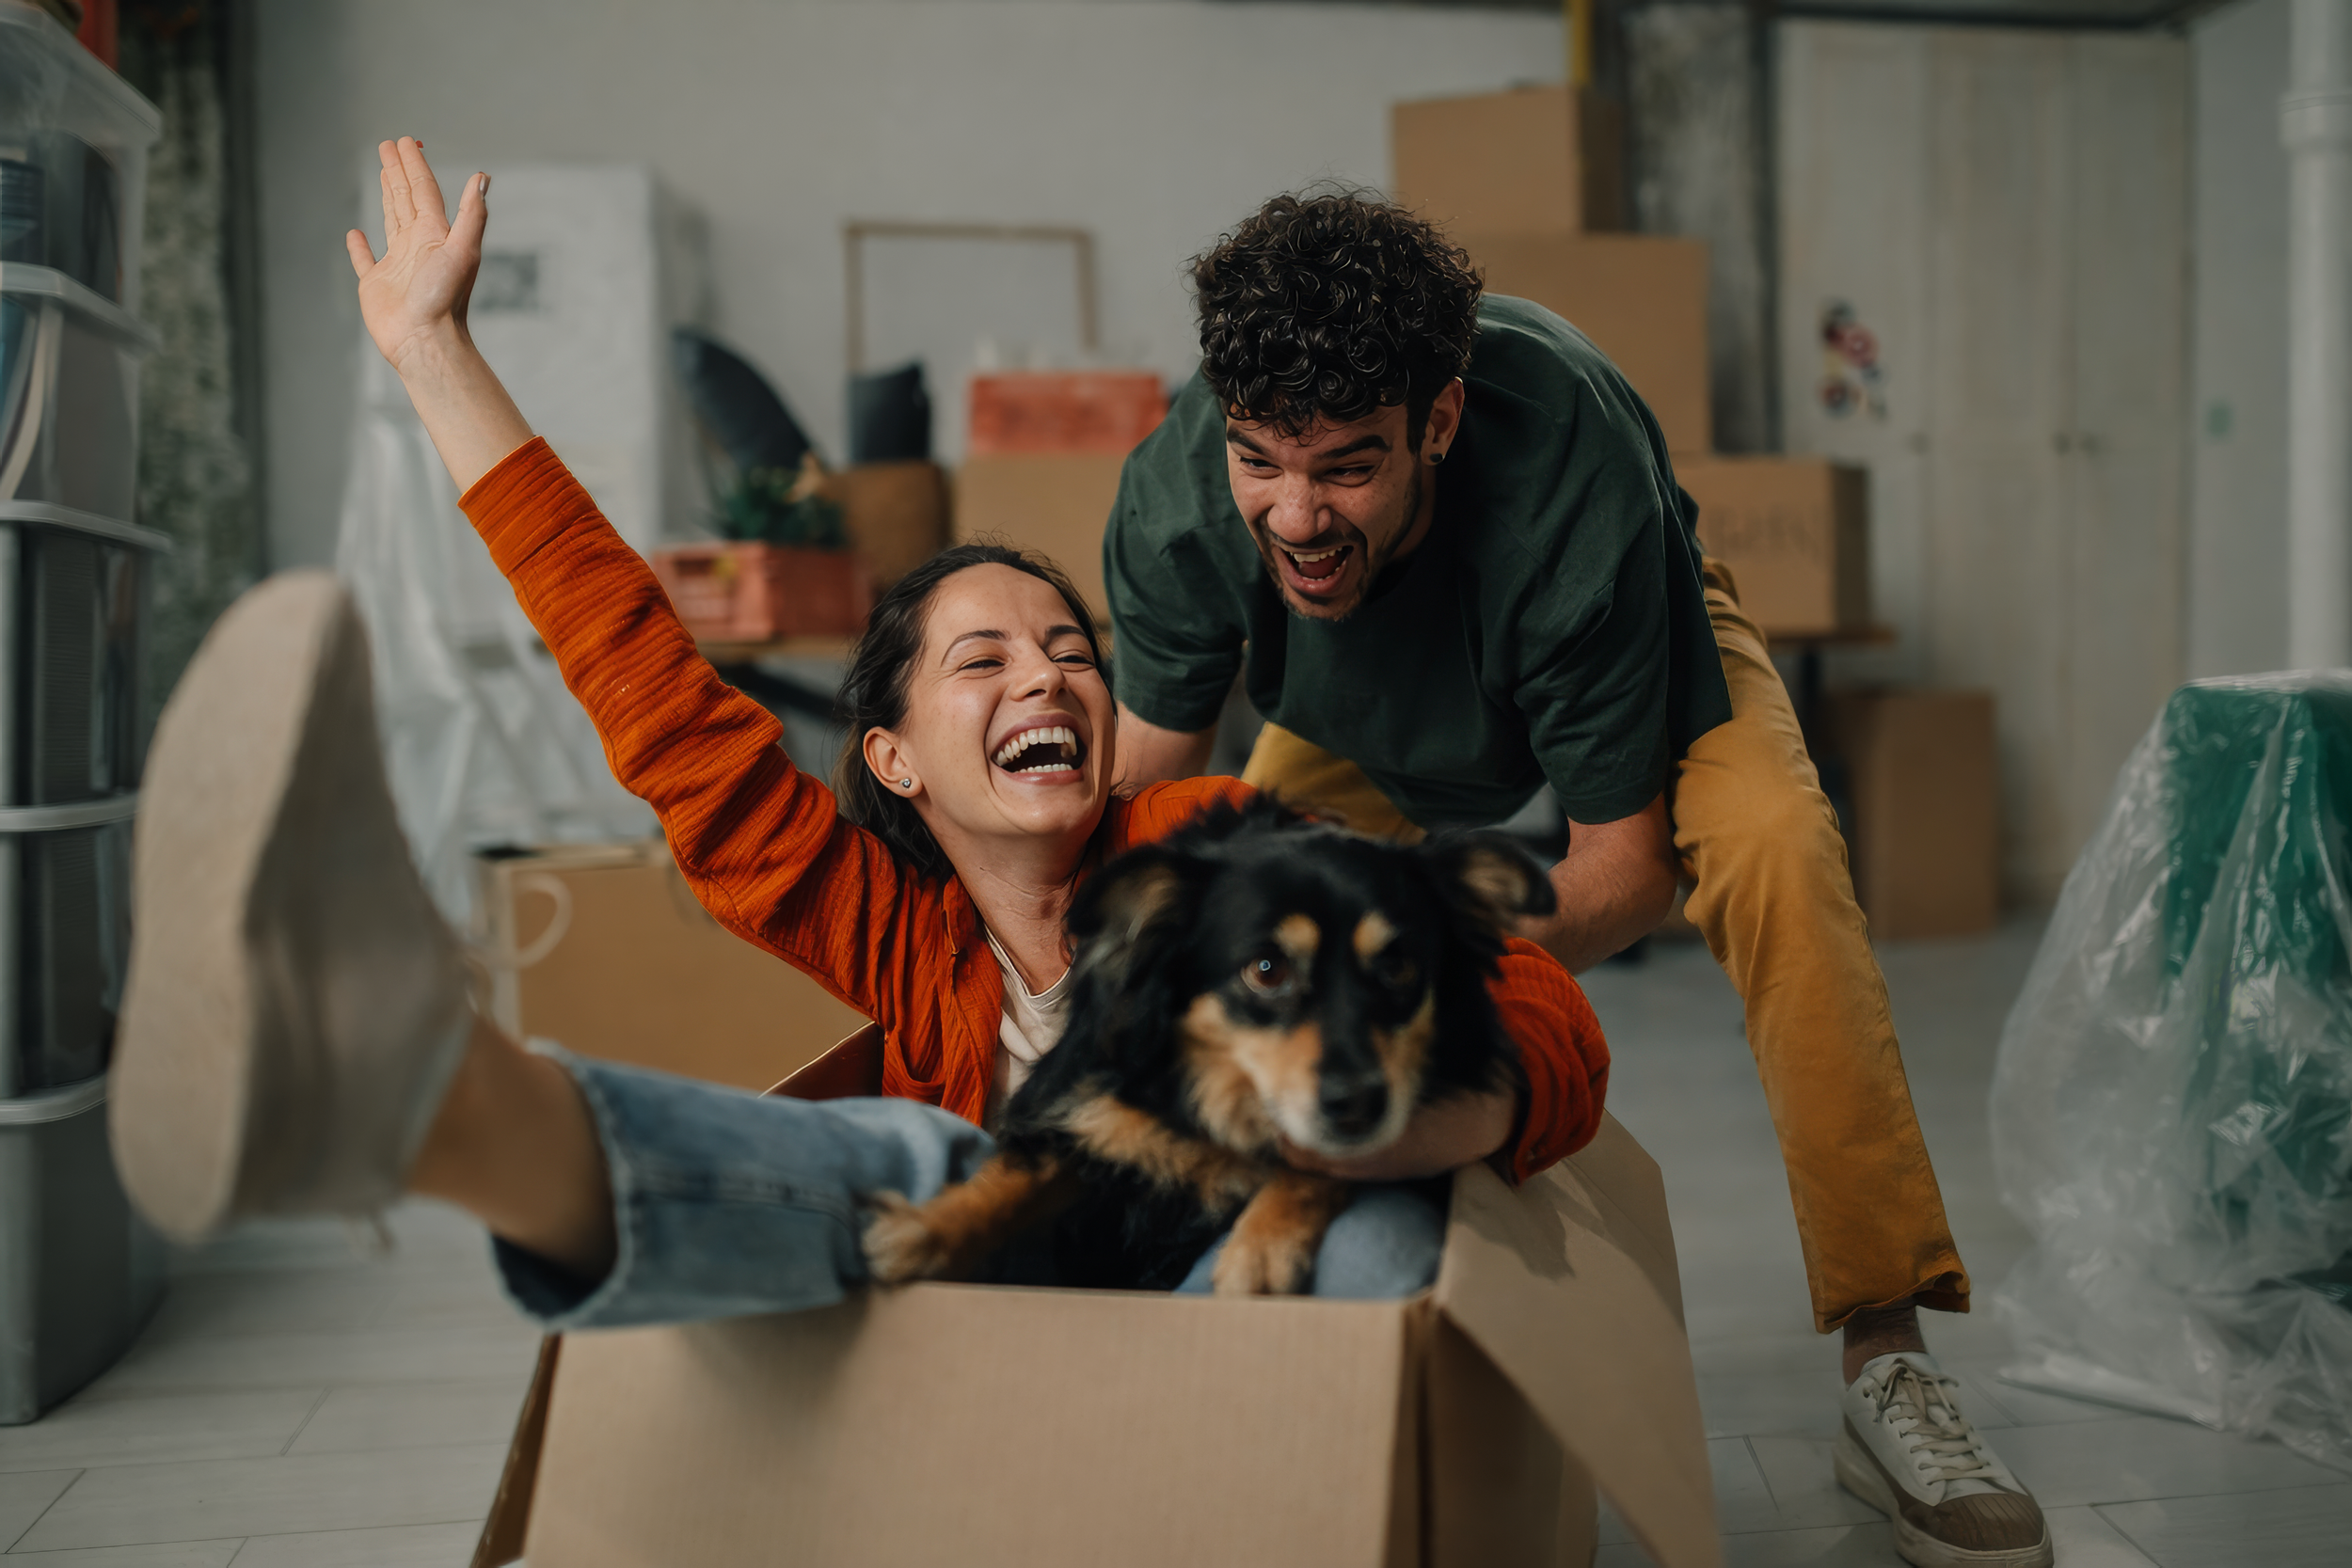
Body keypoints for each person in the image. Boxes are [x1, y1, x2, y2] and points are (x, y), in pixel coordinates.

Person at [106, 141, 1610, 1332]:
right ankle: (407, 1088)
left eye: (1071, 651)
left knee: (1389, 1230)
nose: (1051, 678)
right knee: (905, 1166)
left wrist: (1351, 1130)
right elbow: (656, 694)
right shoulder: (896, 935)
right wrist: (435, 356)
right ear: (890, 755)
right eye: (984, 658)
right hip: (1002, 1329)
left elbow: (1545, 1013)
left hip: (1248, 1328)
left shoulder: (1207, 851)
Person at [1102, 192, 2051, 1567]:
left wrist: (1405, 967)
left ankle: (1888, 1355)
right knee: (1210, 927)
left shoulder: (1569, 484)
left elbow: (1623, 867)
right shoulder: (1199, 494)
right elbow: (1150, 823)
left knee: (1779, 852)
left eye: (1348, 467)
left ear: (1437, 418)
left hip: (1621, 627)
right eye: (1263, 460)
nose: (1294, 513)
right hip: (1357, 696)